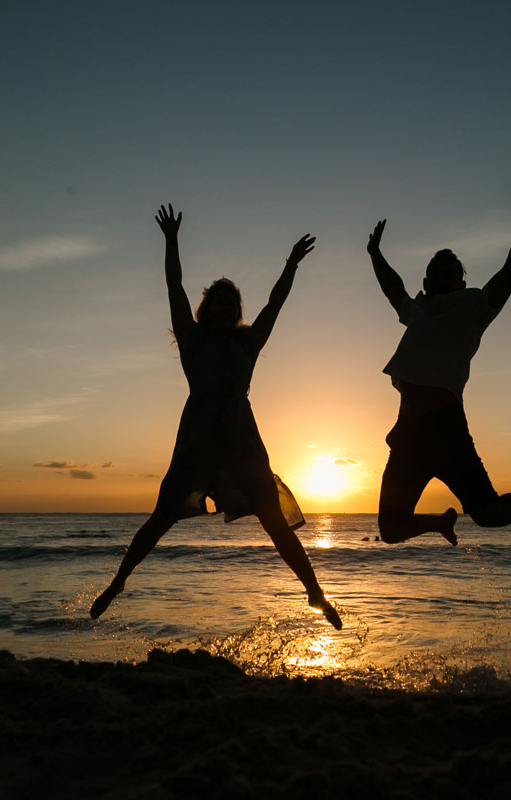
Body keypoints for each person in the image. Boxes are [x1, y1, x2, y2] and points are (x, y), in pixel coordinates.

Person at [90, 204, 342, 629]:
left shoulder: (249, 343)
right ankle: (118, 581)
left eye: (232, 304)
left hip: (242, 440)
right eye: (218, 303)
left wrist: (291, 265)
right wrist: (171, 241)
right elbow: (174, 287)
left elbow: (276, 304)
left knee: (273, 520)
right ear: (207, 310)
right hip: (199, 438)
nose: (225, 309)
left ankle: (315, 592)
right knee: (163, 516)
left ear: (237, 311)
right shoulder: (192, 339)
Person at [366, 163, 511, 545]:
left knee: (487, 514)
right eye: (434, 274)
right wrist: (374, 253)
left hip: (447, 427)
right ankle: (438, 524)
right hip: (409, 435)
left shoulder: (475, 308)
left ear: (461, 282)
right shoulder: (418, 313)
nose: (440, 279)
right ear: (427, 281)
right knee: (390, 530)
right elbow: (393, 288)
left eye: (448, 274)